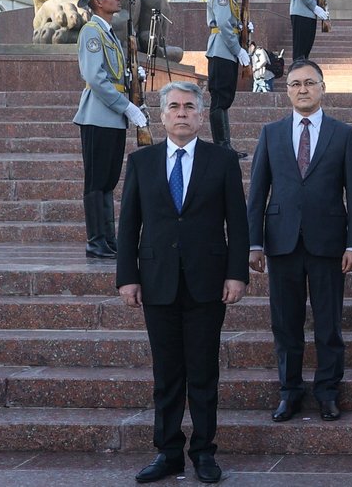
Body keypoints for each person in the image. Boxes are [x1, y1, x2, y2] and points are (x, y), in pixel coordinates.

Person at [116, 81, 249, 485]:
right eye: (173, 106)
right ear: (161, 114)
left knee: (204, 372)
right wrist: (127, 278)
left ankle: (204, 452)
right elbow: (128, 226)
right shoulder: (142, 162)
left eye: (189, 106)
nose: (181, 113)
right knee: (167, 374)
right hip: (157, 283)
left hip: (208, 283)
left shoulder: (222, 160)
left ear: (201, 113)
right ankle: (168, 451)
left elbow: (238, 225)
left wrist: (236, 273)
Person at [246, 60, 352, 424]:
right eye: (295, 84)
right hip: (281, 243)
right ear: (287, 91)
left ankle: (328, 392)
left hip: (329, 244)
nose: (302, 89)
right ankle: (289, 392)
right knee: (285, 323)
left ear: (322, 88)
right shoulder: (271, 132)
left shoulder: (343, 134)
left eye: (309, 83)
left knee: (329, 324)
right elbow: (258, 191)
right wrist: (253, 244)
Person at [72, 0, 151, 260]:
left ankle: (107, 239)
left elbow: (115, 74)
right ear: (96, 1)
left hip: (112, 118)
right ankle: (96, 240)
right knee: (96, 183)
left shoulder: (109, 34)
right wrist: (126, 106)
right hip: (98, 116)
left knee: (107, 182)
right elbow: (96, 78)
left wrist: (134, 79)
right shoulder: (92, 32)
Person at [203, 0, 244, 149]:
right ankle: (221, 146)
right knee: (220, 99)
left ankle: (225, 145)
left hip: (226, 51)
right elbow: (223, 23)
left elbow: (231, 21)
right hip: (222, 50)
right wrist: (238, 50)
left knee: (225, 98)